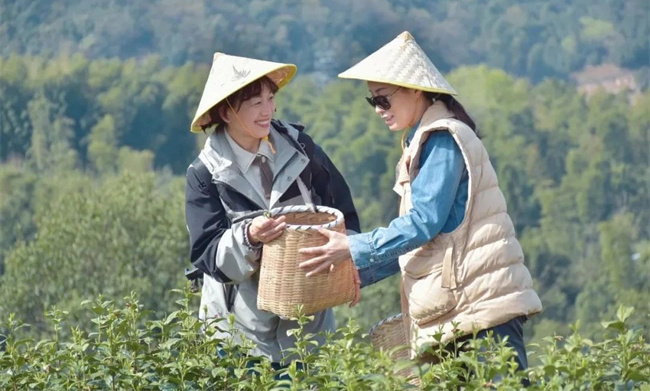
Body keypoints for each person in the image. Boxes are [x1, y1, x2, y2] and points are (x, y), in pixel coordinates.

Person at [298, 31, 542, 371]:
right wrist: (357, 271)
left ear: (414, 89)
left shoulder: (442, 138)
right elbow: (426, 241)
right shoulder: (427, 139)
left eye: (383, 99)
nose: (378, 110)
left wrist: (352, 248)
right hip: (465, 309)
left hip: (480, 309)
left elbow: (423, 223)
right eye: (372, 101)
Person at [185, 52, 360, 370]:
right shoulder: (205, 174)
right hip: (241, 338)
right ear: (226, 112)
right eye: (256, 103)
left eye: (270, 98)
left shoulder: (302, 149)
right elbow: (207, 254)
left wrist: (351, 262)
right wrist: (249, 236)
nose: (268, 110)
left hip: (309, 331)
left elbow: (342, 212)